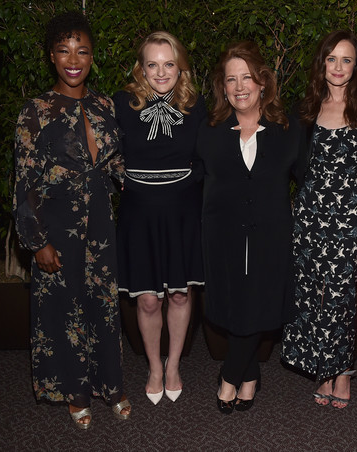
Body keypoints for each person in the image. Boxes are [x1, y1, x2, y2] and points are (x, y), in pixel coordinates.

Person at [13, 11, 130, 430]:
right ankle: (76, 392)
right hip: (57, 225)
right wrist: (37, 241)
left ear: (92, 56)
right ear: (52, 56)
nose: (73, 59)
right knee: (66, 308)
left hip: (101, 221)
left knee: (103, 303)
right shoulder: (35, 111)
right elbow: (24, 182)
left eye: (82, 51)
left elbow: (117, 166)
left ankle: (111, 384)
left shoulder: (104, 105)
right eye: (64, 51)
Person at [196, 41, 305, 414]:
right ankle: (251, 374)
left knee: (260, 304)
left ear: (262, 82)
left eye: (247, 77)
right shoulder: (209, 131)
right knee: (234, 307)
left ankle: (230, 376)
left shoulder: (287, 130)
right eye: (231, 79)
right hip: (222, 236)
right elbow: (193, 180)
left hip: (270, 237)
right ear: (223, 87)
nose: (239, 87)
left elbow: (308, 178)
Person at [281, 30, 357, 409]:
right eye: (331, 58)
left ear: (356, 66)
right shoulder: (305, 110)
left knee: (340, 292)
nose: (338, 67)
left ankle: (342, 370)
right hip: (310, 214)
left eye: (346, 60)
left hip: (349, 215)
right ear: (322, 63)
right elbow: (293, 162)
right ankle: (322, 368)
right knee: (310, 290)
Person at [113, 31, 206, 405]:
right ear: (141, 68)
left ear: (180, 67)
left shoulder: (196, 106)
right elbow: (105, 150)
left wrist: (190, 185)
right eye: (153, 64)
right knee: (148, 300)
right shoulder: (121, 103)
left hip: (181, 210)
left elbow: (208, 157)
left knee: (180, 294)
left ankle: (173, 367)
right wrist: (120, 177)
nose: (161, 72)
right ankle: (154, 366)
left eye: (169, 64)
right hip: (139, 211)